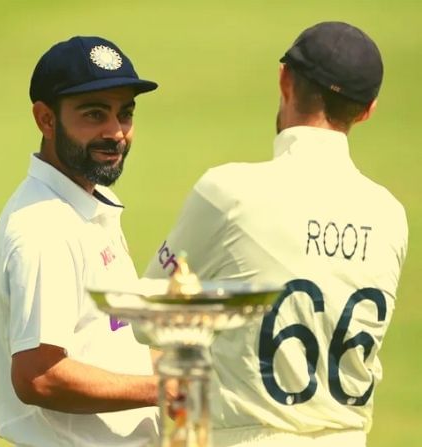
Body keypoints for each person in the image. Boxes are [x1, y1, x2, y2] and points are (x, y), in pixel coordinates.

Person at [144, 22, 408, 447]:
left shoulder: (227, 192)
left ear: (285, 79)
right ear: (367, 110)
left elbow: (147, 316)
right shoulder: (391, 216)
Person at [0, 36, 163, 446]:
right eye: (94, 114)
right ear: (46, 119)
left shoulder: (88, 204)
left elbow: (109, 347)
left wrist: (194, 368)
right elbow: (39, 376)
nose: (115, 132)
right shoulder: (43, 228)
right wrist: (164, 390)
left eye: (125, 114)